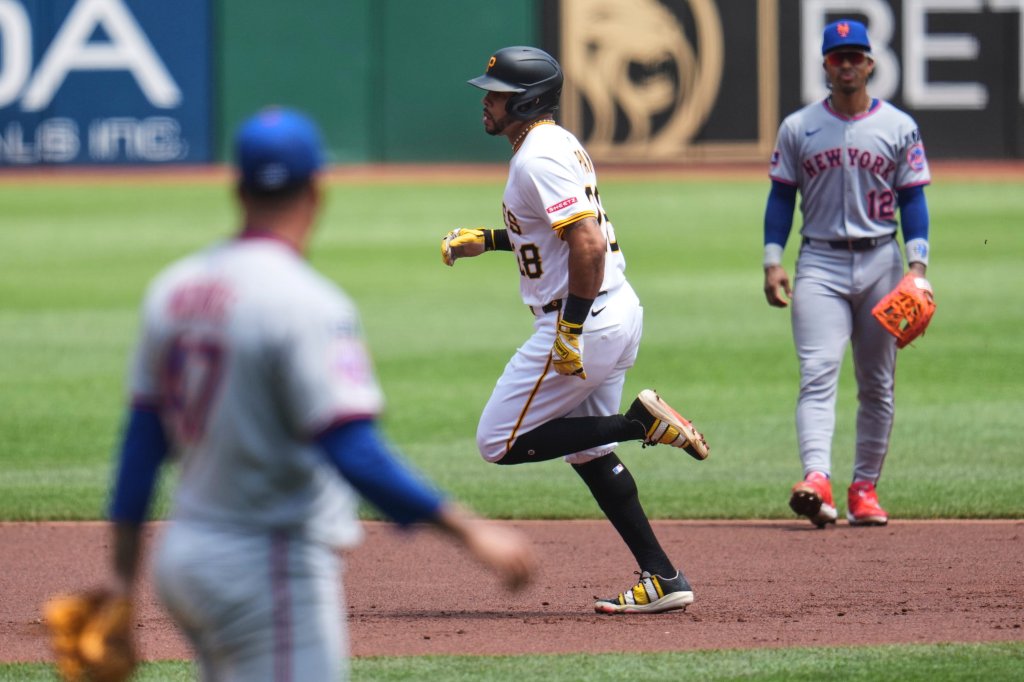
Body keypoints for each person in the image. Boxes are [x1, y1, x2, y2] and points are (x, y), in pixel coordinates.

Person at [104, 107, 534, 680]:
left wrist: (120, 584)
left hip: (185, 561)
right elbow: (353, 451)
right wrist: (471, 533)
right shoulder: (306, 303)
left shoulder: (174, 290)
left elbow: (140, 447)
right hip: (266, 567)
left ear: (238, 191)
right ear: (316, 192)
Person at [440, 46, 709, 614]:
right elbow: (555, 233)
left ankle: (640, 422)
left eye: (497, 95)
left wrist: (569, 330)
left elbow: (587, 244)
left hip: (586, 319)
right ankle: (663, 576)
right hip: (614, 310)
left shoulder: (537, 157)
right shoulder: (555, 143)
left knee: (496, 442)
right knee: (590, 452)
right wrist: (489, 240)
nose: (486, 102)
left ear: (527, 102)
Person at [762, 20, 931, 527]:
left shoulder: (899, 126)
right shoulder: (799, 126)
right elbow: (781, 197)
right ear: (826, 65)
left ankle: (864, 489)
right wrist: (773, 260)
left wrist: (918, 269)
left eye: (856, 56)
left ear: (871, 64)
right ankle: (817, 480)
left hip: (882, 261)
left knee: (877, 383)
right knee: (817, 374)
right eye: (839, 57)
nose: (848, 65)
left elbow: (913, 200)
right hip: (820, 262)